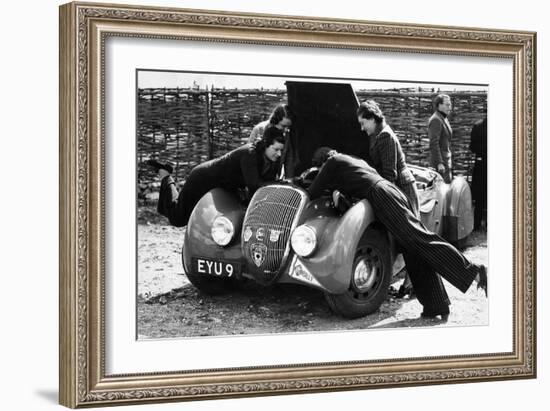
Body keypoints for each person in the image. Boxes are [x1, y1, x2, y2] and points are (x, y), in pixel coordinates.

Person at [308, 148, 487, 320]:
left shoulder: (332, 162)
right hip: (392, 192)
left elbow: (314, 192)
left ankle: (475, 272)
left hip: (381, 195)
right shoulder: (353, 160)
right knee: (412, 249)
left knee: (421, 241)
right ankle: (436, 305)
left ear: (322, 161)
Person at [149, 127, 285, 228]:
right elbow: (255, 185)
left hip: (224, 185)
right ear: (266, 145)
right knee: (178, 218)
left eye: (281, 150)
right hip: (203, 178)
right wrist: (280, 184)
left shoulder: (272, 159)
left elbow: (267, 183)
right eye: (276, 149)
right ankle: (166, 175)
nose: (279, 154)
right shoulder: (250, 154)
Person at [357, 100, 420, 296]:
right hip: (396, 187)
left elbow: (389, 174)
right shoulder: (375, 134)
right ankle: (410, 284)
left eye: (363, 122)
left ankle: (413, 286)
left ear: (372, 119)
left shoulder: (385, 136)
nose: (361, 127)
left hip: (402, 188)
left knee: (411, 238)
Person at [428, 94, 454, 183]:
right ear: (439, 105)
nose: (450, 107)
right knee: (441, 191)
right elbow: (433, 143)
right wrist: (439, 163)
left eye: (450, 104)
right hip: (440, 165)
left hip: (446, 161)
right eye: (447, 105)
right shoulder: (436, 120)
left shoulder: (443, 118)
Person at [470, 117, 487, 230]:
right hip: (483, 163)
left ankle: (477, 223)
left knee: (480, 195)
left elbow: (472, 147)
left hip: (481, 162)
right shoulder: (478, 126)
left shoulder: (478, 126)